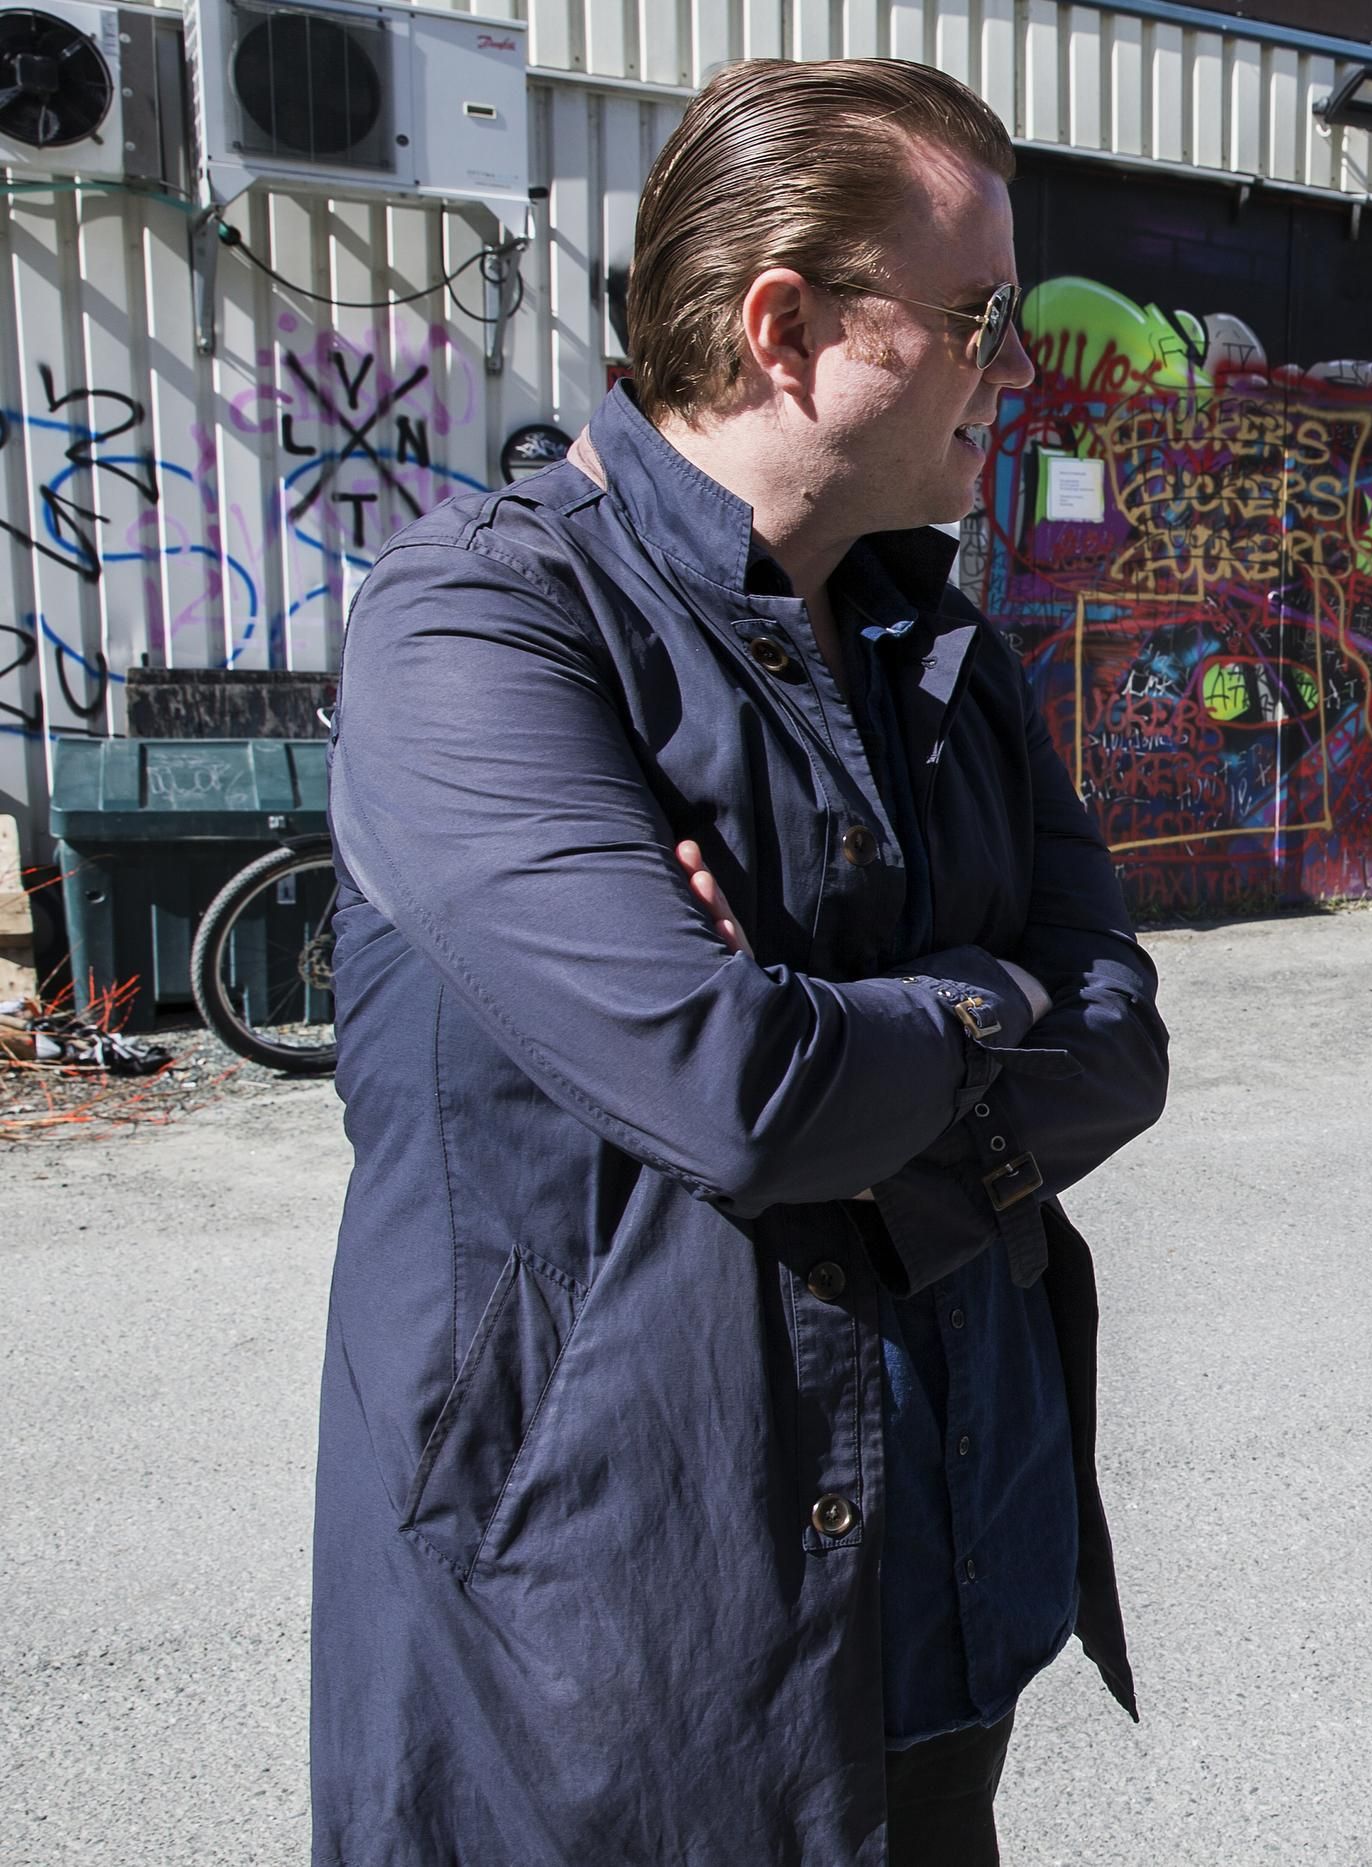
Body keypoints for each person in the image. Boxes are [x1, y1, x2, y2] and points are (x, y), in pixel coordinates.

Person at [311, 58, 1168, 1865]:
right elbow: (740, 1089)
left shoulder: (944, 648)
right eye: (979, 316)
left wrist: (862, 1028)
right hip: (615, 1646)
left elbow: (1115, 1038)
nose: (1017, 366)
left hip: (944, 1589)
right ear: (785, 329)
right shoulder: (483, 623)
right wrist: (975, 995)